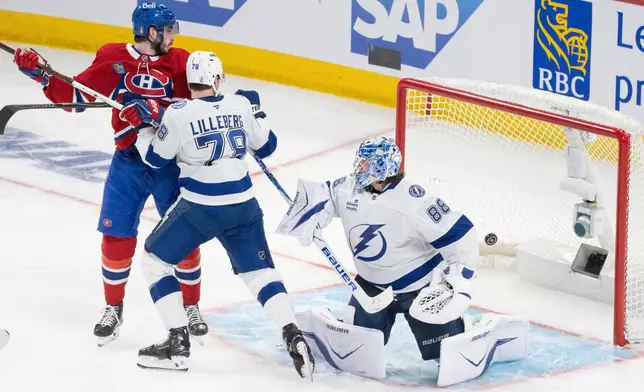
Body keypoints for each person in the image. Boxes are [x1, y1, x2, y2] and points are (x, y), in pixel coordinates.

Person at [12, 2, 207, 346]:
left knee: (184, 237)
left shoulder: (181, 62)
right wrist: (43, 74)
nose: (173, 36)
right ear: (151, 32)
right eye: (168, 30)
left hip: (171, 165)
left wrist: (160, 112)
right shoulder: (113, 57)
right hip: (128, 162)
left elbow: (200, 109)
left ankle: (191, 306)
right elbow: (75, 98)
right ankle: (113, 308)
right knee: (116, 237)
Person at [276, 136, 528, 386]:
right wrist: (311, 214)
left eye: (365, 164)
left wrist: (458, 278)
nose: (358, 168)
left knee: (445, 353)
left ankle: (477, 329)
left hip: (420, 289)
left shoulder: (414, 202)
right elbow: (326, 194)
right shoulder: (350, 187)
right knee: (356, 355)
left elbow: (460, 233)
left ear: (382, 169)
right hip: (370, 287)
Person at [134, 50, 315, 379]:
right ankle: (292, 333)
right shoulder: (240, 105)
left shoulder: (178, 113)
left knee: (153, 261)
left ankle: (177, 342)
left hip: (200, 207)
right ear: (216, 79)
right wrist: (258, 111)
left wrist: (145, 127)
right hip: (244, 205)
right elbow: (268, 145)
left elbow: (154, 160)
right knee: (259, 272)